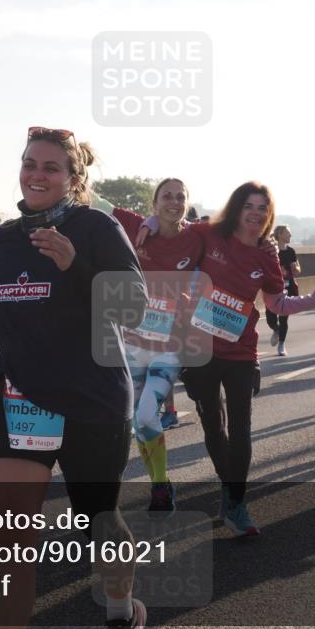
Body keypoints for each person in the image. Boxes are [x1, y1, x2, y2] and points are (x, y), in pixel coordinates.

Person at [0, 127, 148, 629]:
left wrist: (75, 263)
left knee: (98, 523)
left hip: (91, 398)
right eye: (30, 164)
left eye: (51, 167)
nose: (37, 174)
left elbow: (133, 308)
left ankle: (121, 610)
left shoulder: (96, 227)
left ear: (73, 179)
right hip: (21, 399)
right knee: (10, 531)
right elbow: (21, 301)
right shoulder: (5, 236)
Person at [140, 182, 315, 535]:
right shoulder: (209, 234)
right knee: (214, 423)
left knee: (241, 426)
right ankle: (228, 488)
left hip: (241, 351)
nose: (256, 212)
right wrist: (151, 224)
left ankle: (235, 502)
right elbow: (173, 231)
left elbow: (276, 304)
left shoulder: (267, 254)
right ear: (236, 208)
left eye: (262, 207)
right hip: (198, 348)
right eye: (249, 205)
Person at [105, 178, 205, 514]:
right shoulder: (135, 227)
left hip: (169, 348)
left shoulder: (197, 236)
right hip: (133, 345)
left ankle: (161, 484)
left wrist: (266, 245)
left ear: (187, 202)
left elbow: (238, 232)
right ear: (154, 203)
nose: (173, 202)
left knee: (148, 414)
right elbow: (94, 202)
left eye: (180, 196)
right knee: (138, 422)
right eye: (167, 196)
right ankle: (159, 487)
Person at [266, 225, 301, 356]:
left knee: (284, 318)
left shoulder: (291, 251)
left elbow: (298, 270)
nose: (290, 236)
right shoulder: (272, 250)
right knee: (270, 318)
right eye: (288, 233)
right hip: (273, 288)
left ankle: (281, 344)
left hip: (288, 287)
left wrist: (295, 269)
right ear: (280, 234)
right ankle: (276, 329)